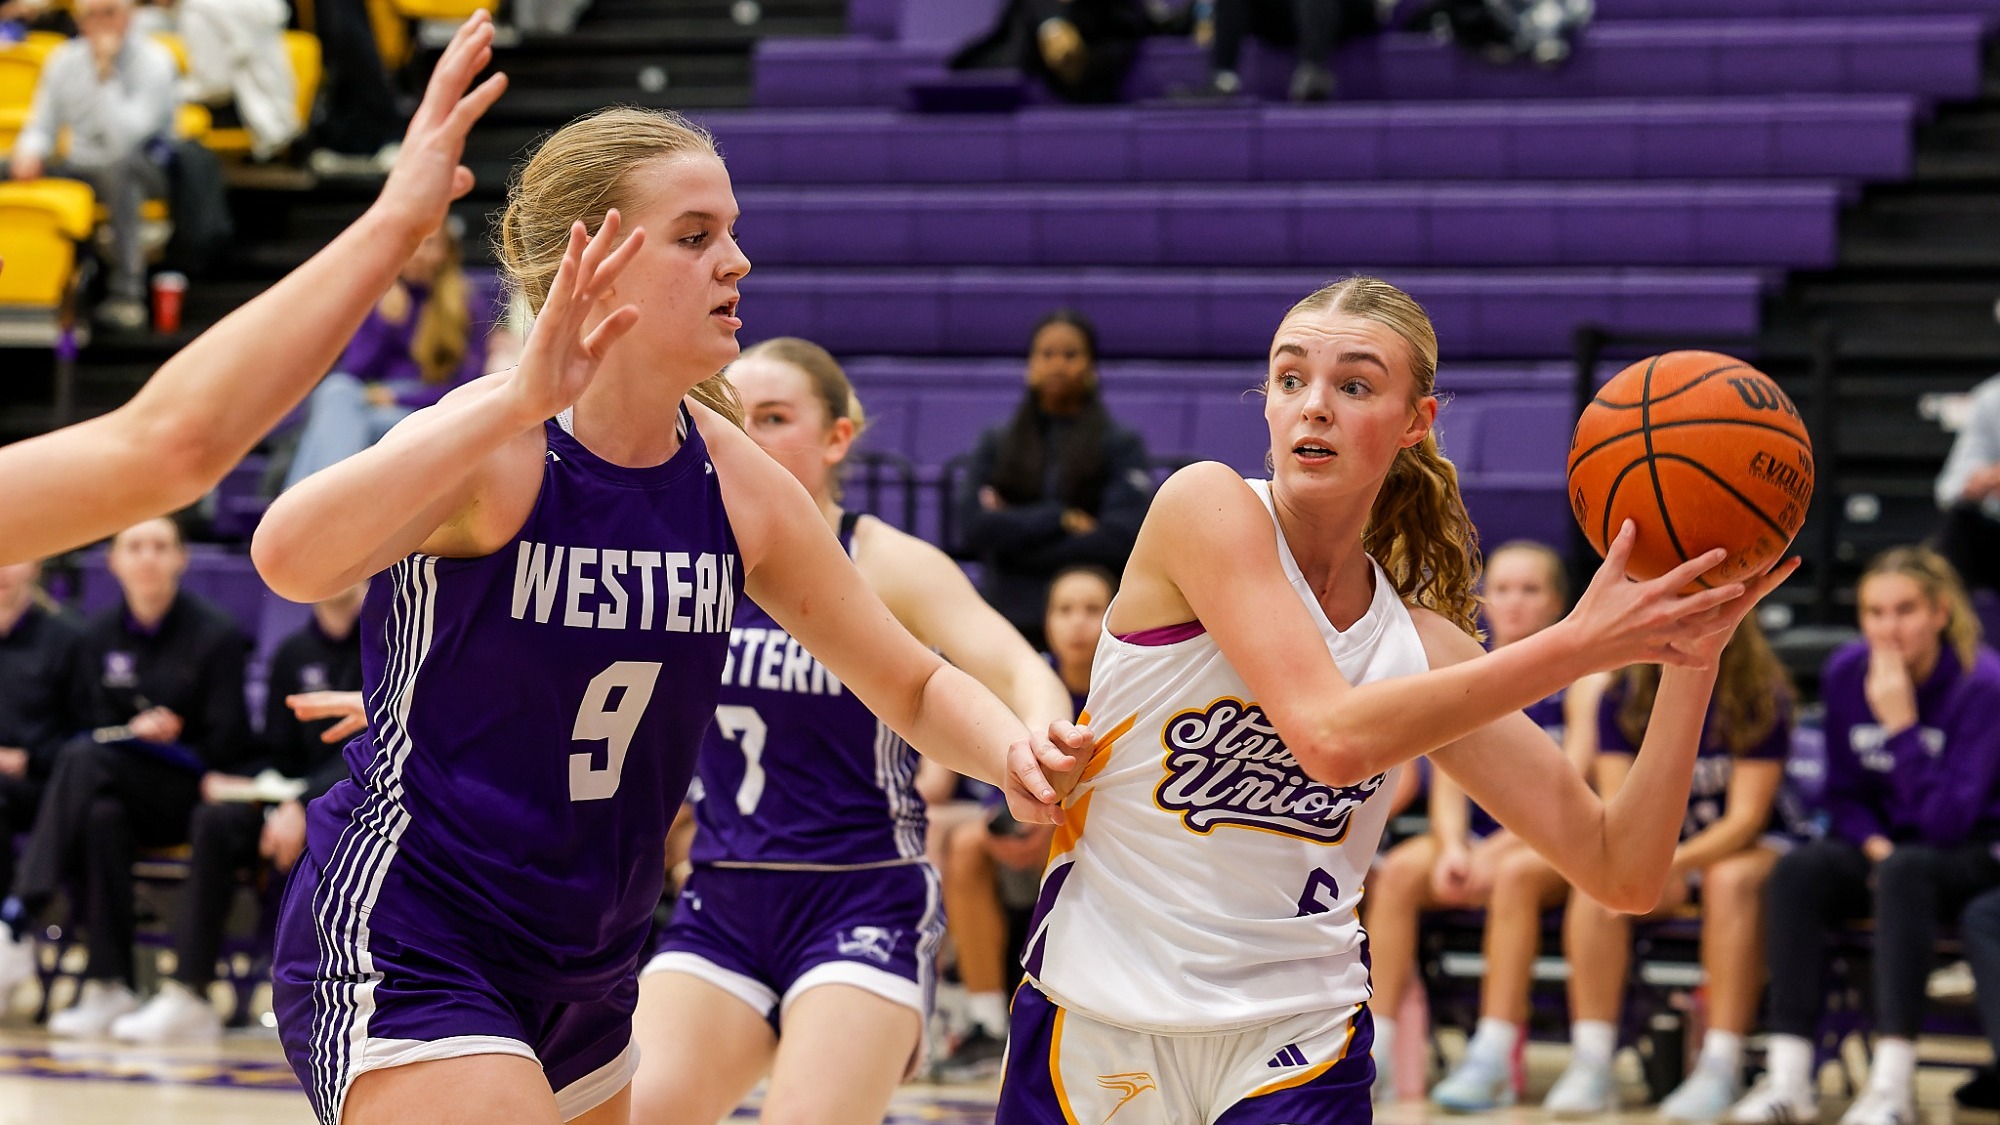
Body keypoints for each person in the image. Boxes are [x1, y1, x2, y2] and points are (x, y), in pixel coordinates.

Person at [250, 106, 1086, 1125]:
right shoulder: (497, 445)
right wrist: (513, 399)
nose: (735, 261)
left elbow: (906, 678)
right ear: (590, 264)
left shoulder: (733, 482)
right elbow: (288, 558)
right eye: (695, 236)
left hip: (591, 958)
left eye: (729, 230)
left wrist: (1013, 752)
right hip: (419, 925)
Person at [991, 276, 1794, 1125]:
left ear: (1417, 421)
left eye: (1356, 385)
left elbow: (1622, 868)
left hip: (1297, 1041)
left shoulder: (1420, 646)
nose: (1314, 407)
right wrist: (1579, 644)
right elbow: (1329, 739)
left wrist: (1692, 657)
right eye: (1291, 378)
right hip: (1098, 1017)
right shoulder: (1205, 505)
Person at [626, 337, 1077, 1125]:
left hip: (861, 896)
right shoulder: (686, 558)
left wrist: (1043, 733)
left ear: (839, 436)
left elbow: (1016, 665)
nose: (751, 435)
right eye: (736, 416)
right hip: (722, 895)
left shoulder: (888, 562)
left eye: (776, 416)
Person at [0, 12, 505, 569]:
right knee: (339, 398)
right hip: (373, 415)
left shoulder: (463, 301)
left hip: (408, 417)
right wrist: (391, 226)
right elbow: (173, 447)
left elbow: (172, 447)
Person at [1725, 546, 2000, 1125]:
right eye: (1875, 612)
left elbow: (1951, 822)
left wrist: (1900, 725)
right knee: (1799, 870)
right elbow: (1843, 794)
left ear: (1940, 614)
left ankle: (1891, 1085)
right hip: (1886, 850)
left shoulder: (1982, 684)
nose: (1888, 627)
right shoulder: (1848, 672)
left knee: (1908, 870)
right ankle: (1789, 1075)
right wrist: (1872, 844)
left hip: (1970, 856)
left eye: (1905, 610)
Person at [1361, 539, 1608, 1108]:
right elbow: (1450, 779)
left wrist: (1494, 853)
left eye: (1530, 590)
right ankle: (1380, 1050)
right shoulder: (1467, 666)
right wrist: (1451, 847)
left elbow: (1567, 788)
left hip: (1550, 841)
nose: (1514, 602)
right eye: (1501, 589)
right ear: (1483, 600)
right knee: (1398, 871)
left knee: (1515, 876)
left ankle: (1494, 1052)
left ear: (1557, 602)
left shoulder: (1585, 682)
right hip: (1477, 837)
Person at [3, 516, 251, 1036]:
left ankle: (17, 917)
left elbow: (229, 746)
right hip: (123, 784)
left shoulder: (217, 634)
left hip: (191, 787)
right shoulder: (98, 634)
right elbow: (92, 723)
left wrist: (172, 737)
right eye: (134, 546)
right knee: (99, 815)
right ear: (113, 560)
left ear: (182, 558)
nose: (147, 557)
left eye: (160, 546)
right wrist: (130, 731)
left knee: (82, 760)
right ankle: (109, 982)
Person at [1543, 618, 1795, 1119]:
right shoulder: (1623, 694)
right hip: (1666, 852)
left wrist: (1674, 860)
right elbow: (1617, 810)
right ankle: (1592, 1060)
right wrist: (1648, 864)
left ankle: (1719, 1063)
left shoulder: (1760, 694)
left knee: (1730, 881)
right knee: (1595, 887)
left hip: (1747, 847)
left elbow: (1746, 820)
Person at [109, 580, 367, 1043]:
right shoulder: (293, 651)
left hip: (361, 804)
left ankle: (328, 1000)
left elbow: (379, 744)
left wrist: (303, 802)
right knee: (215, 820)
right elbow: (278, 751)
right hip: (293, 804)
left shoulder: (391, 645)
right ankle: (190, 991)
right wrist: (245, 786)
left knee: (326, 832)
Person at [935, 563, 1114, 1081]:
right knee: (968, 843)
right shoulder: (1026, 680)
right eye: (1065, 609)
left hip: (1100, 844)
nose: (1078, 622)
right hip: (1030, 834)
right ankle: (988, 1023)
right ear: (1047, 621)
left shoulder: (1128, 684)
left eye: (1092, 609)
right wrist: (1024, 824)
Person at [955, 309, 1151, 648]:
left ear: (1091, 365)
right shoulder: (997, 442)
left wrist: (1014, 542)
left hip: (1092, 618)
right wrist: (1060, 519)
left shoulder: (1120, 443)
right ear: (1031, 365)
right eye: (1047, 354)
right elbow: (974, 527)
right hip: (1010, 611)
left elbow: (1122, 537)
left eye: (1071, 355)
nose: (1058, 364)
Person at [281, 219, 502, 491]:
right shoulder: (381, 299)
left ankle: (303, 505)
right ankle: (321, 504)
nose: (419, 252)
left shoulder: (467, 304)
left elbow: (467, 386)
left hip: (425, 408)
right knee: (336, 391)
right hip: (369, 399)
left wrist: (397, 397)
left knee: (335, 423)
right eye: (412, 244)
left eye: (430, 243)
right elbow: (355, 370)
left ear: (446, 251)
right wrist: (383, 322)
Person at [6, 0, 179, 329]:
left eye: (109, 13)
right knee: (6, 164)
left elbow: (123, 140)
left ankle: (128, 295)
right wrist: (30, 152)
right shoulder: (63, 60)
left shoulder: (155, 61)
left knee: (118, 169)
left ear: (128, 17)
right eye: (91, 15)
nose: (100, 23)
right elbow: (41, 126)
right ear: (79, 21)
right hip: (81, 164)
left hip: (146, 166)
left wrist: (104, 72)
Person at [0, 557, 89, 1008]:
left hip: (46, 793)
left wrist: (27, 759)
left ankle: (9, 930)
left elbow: (86, 738)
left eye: (11, 557)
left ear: (34, 564)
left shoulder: (67, 638)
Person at [1934, 372, 2000, 601]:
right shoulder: (1992, 396)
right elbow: (1949, 488)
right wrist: (1980, 481)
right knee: (1957, 525)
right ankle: (1946, 625)